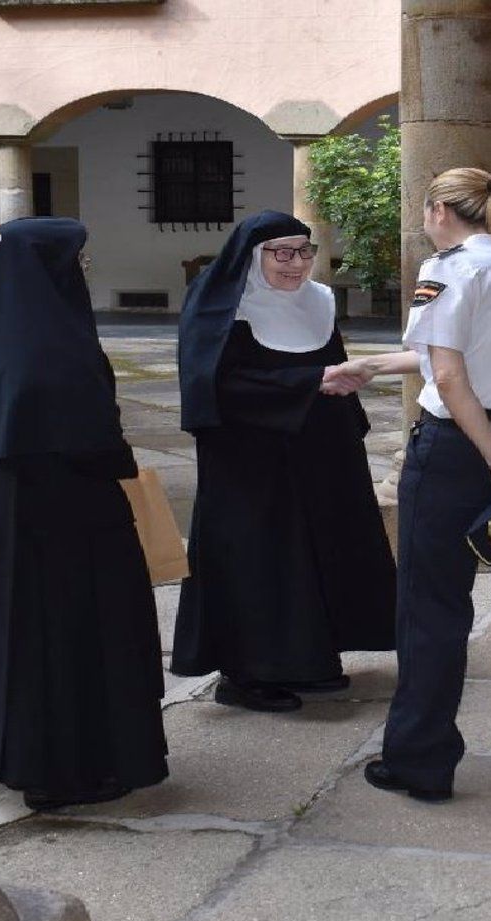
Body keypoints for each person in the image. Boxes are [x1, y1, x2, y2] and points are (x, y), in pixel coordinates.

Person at [323, 168, 491, 802]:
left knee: (432, 604)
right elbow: (455, 356)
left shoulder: (451, 268)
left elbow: (455, 379)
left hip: (468, 450)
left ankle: (420, 759)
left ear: (440, 211)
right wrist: (373, 364)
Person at [0, 217, 168, 811]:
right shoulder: (51, 353)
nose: (82, 272)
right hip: (68, 535)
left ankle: (22, 757)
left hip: (5, 530)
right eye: (75, 262)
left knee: (16, 643)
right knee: (73, 647)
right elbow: (89, 442)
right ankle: (71, 769)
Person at [171, 211, 396, 713]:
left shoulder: (317, 300)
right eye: (282, 254)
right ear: (254, 256)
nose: (296, 265)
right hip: (248, 460)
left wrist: (343, 402)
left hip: (320, 450)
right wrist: (309, 384)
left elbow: (330, 362)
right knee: (262, 560)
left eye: (304, 252)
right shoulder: (219, 307)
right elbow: (218, 388)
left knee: (318, 551)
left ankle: (311, 659)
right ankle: (247, 674)